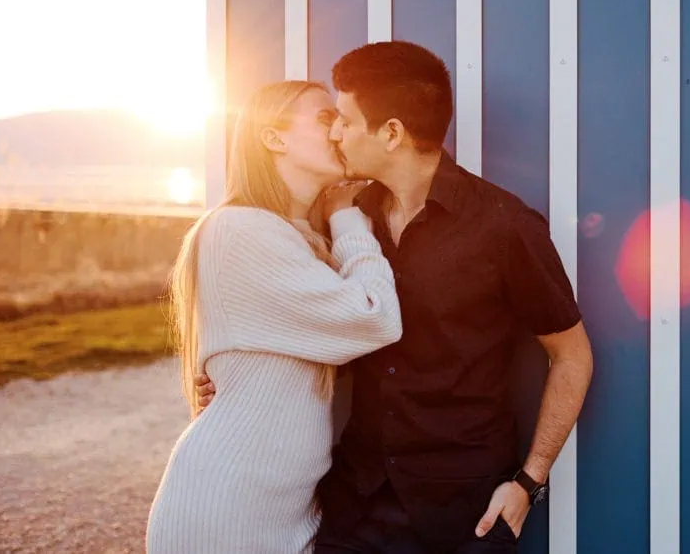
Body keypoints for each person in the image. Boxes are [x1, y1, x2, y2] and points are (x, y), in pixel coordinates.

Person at [196, 41, 594, 553]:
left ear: (391, 133)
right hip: (354, 502)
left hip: (462, 512)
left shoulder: (505, 227)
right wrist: (236, 381)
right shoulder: (347, 216)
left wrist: (528, 483)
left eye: (343, 119)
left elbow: (572, 356)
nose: (335, 133)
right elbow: (307, 323)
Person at [146, 80, 403, 554]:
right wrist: (347, 217)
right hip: (227, 511)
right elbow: (377, 318)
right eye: (326, 119)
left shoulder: (299, 239)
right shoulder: (240, 230)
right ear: (273, 137)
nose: (340, 131)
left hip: (286, 513)